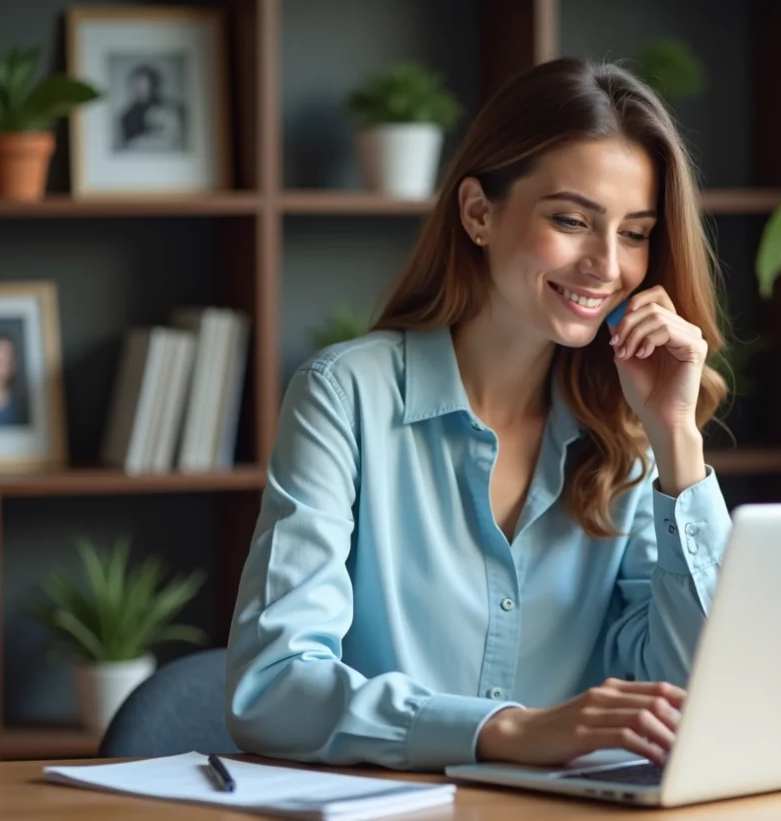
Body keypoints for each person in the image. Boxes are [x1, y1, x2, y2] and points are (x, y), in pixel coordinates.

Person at [224, 57, 734, 773]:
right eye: (571, 220)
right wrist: (503, 729)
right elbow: (271, 687)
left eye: (634, 232)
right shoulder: (346, 395)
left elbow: (692, 689)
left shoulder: (630, 427)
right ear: (478, 213)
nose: (606, 265)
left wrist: (677, 439)